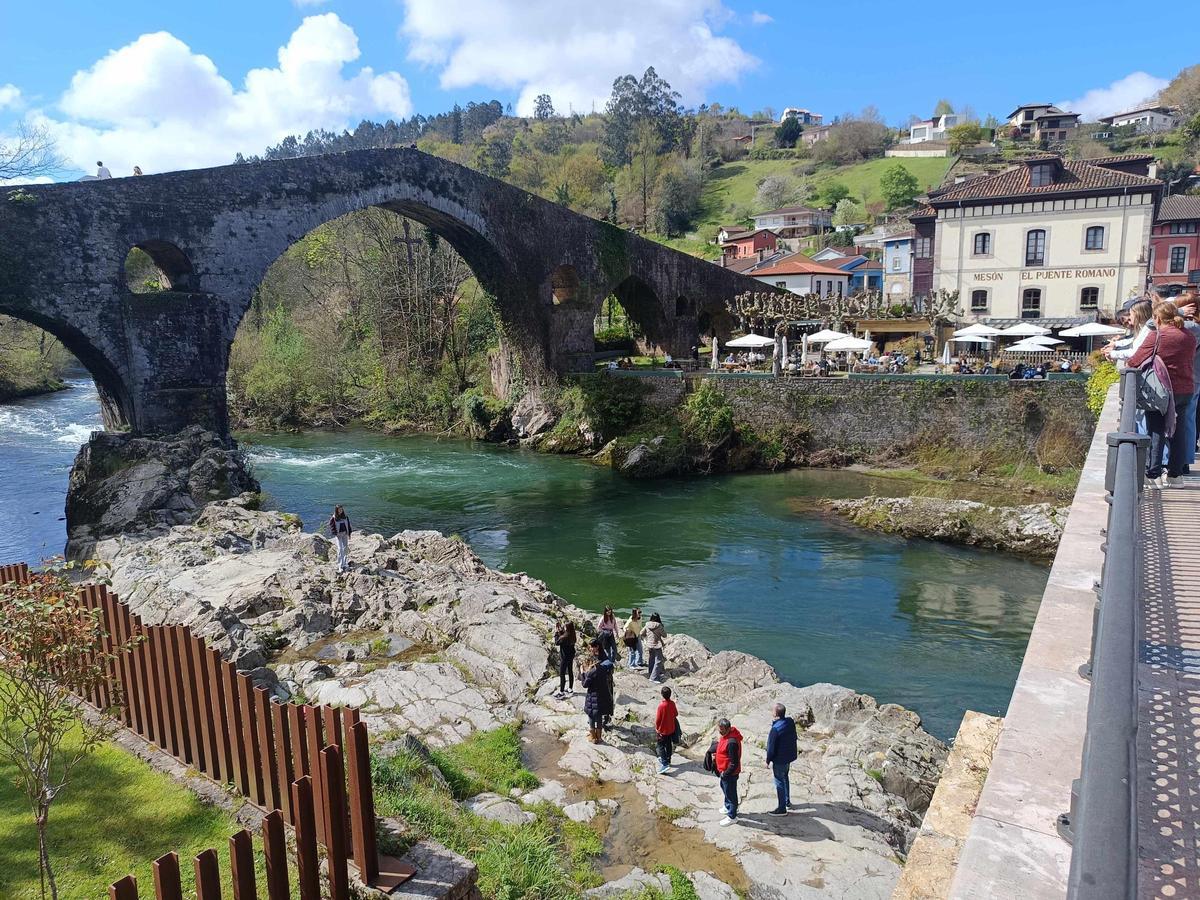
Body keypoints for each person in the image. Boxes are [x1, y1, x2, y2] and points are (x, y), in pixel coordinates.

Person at [1129, 301, 1197, 486]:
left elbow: (1135, 360)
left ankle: (1153, 475)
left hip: (1162, 390)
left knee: (1156, 429)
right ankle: (1176, 475)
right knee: (1179, 431)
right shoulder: (1189, 336)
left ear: (1157, 318)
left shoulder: (1158, 335)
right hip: (1185, 389)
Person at [765, 703, 798, 816]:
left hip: (779, 759)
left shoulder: (775, 729)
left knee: (779, 781)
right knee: (785, 777)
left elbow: (771, 747)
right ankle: (787, 801)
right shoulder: (789, 721)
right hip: (788, 757)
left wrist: (768, 760)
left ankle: (781, 808)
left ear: (775, 713)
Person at [715, 717, 743, 826]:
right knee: (725, 789)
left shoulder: (732, 742)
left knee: (731, 794)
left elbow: (734, 762)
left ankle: (732, 816)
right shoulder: (726, 735)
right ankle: (727, 807)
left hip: (730, 773)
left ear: (727, 729)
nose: (719, 731)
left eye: (721, 730)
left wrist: (725, 773)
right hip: (724, 771)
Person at [581, 644, 608, 743]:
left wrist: (583, 673)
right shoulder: (603, 669)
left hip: (592, 696)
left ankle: (593, 737)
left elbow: (584, 684)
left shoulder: (591, 672)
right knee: (599, 716)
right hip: (601, 696)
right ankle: (599, 737)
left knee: (591, 716)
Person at [655, 685, 679, 775]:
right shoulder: (672, 703)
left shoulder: (661, 706)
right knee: (668, 744)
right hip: (671, 729)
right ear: (670, 695)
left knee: (660, 746)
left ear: (662, 695)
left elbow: (658, 719)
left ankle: (665, 763)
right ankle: (668, 759)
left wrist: (657, 728)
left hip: (662, 730)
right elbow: (676, 714)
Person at [553, 616, 577, 698]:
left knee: (562, 673)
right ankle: (570, 688)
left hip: (565, 656)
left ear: (567, 628)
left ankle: (561, 692)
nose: (563, 627)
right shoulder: (572, 634)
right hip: (571, 654)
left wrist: (556, 633)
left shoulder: (564, 637)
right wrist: (560, 630)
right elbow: (564, 634)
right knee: (570, 670)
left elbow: (557, 642)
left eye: (565, 626)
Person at [328, 506, 352, 572]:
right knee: (340, 549)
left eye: (341, 509)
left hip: (345, 534)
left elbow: (349, 526)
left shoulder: (345, 517)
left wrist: (349, 534)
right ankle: (340, 565)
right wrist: (336, 534)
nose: (340, 511)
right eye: (339, 510)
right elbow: (332, 527)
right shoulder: (334, 518)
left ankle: (345, 563)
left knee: (345, 548)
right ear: (336, 510)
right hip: (339, 535)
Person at [643, 612, 667, 682]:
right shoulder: (659, 625)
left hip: (649, 644)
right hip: (657, 645)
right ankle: (653, 678)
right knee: (658, 661)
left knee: (651, 659)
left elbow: (642, 633)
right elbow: (664, 635)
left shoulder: (647, 624)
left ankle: (651, 672)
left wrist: (648, 638)